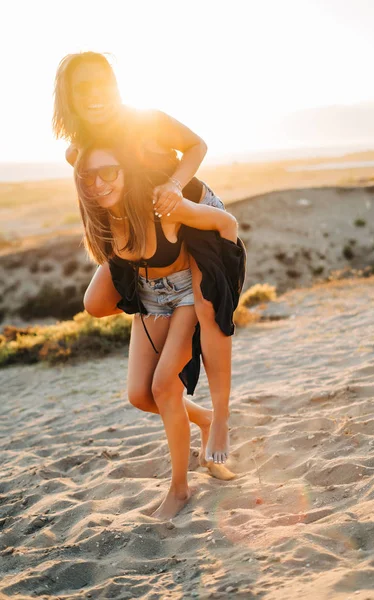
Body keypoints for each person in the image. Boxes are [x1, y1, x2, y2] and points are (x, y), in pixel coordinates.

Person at [53, 51, 244, 465]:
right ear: (69, 97)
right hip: (147, 227)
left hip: (191, 213)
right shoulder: (81, 148)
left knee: (210, 310)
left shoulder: (145, 121)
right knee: (97, 302)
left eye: (100, 82)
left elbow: (197, 145)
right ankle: (164, 304)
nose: (94, 94)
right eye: (81, 87)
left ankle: (222, 419)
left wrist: (174, 185)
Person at [73, 142, 242, 520]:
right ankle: (204, 420)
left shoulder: (159, 205)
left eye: (109, 172)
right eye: (89, 176)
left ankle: (180, 489)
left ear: (126, 171)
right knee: (140, 395)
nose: (99, 183)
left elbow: (225, 223)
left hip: (186, 294)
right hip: (149, 297)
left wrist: (218, 286)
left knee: (164, 387)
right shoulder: (100, 220)